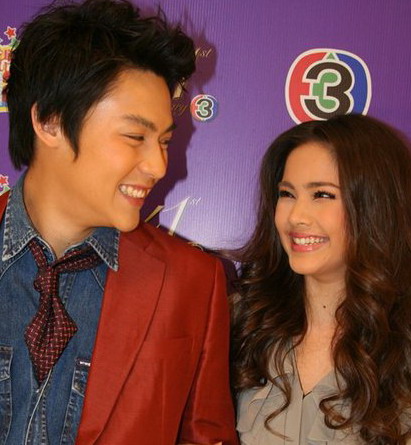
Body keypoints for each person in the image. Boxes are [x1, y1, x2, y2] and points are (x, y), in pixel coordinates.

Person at [1, 0, 238, 443]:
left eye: (164, 141)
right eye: (135, 137)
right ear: (49, 121)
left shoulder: (192, 282)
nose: (158, 166)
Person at [232, 114, 411, 444]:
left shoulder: (403, 342)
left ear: (375, 205)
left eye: (322, 195)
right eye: (287, 194)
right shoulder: (240, 323)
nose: (296, 217)